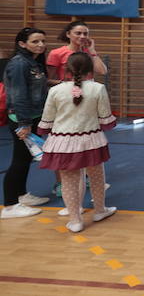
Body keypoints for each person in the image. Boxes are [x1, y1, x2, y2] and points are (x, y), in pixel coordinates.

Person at [36, 52, 117, 232]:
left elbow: (47, 118)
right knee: (96, 176)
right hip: (91, 140)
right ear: (90, 69)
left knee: (69, 181)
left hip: (62, 142)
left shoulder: (55, 90)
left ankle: (75, 220)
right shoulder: (97, 88)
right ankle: (100, 210)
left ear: (67, 69)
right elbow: (105, 119)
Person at [2, 27, 50, 219]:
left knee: (26, 158)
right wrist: (24, 123)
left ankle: (22, 196)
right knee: (19, 160)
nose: (41, 45)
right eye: (35, 41)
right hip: (22, 118)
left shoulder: (33, 62)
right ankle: (10, 206)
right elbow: (18, 94)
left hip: (33, 116)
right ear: (22, 44)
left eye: (42, 41)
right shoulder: (19, 63)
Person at [47, 21, 108, 85]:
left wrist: (92, 51)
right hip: (67, 89)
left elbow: (102, 71)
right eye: (78, 33)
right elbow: (49, 79)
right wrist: (66, 84)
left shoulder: (89, 52)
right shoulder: (56, 53)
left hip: (88, 89)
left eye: (85, 34)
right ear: (68, 34)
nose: (82, 36)